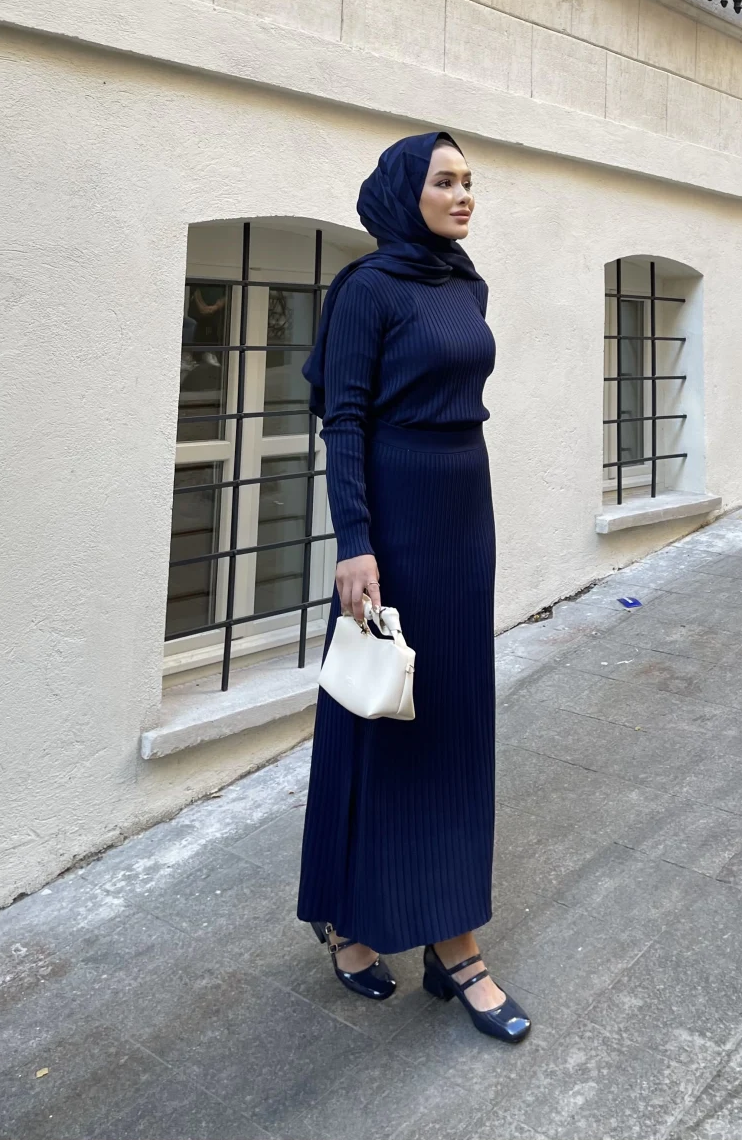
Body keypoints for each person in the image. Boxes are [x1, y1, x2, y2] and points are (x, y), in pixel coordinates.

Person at [296, 131, 530, 1045]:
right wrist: (356, 540)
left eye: (469, 181)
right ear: (406, 192)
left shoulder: (465, 284)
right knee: (381, 717)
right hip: (394, 518)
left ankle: (443, 932)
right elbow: (344, 418)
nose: (463, 194)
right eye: (445, 180)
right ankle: (375, 923)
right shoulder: (368, 288)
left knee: (455, 721)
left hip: (464, 514)